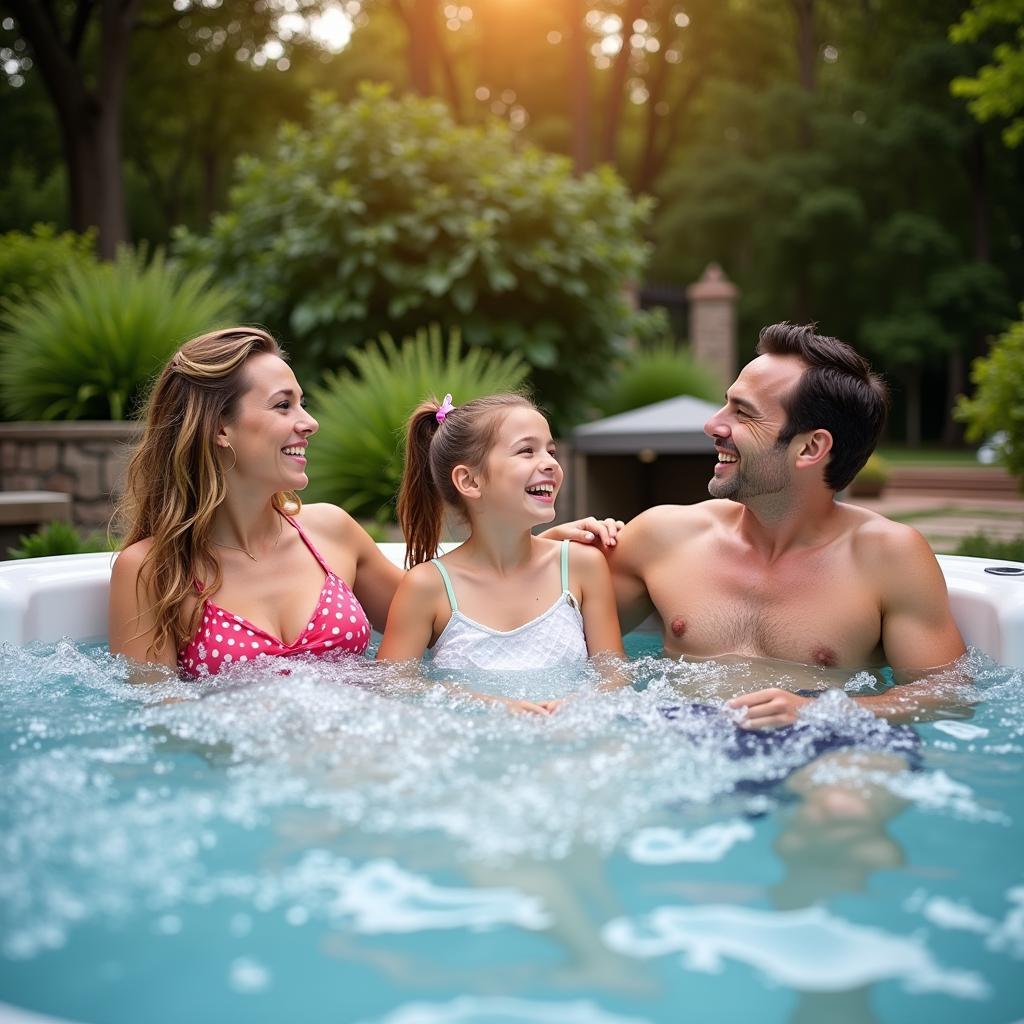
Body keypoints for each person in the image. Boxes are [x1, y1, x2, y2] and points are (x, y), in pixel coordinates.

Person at [109, 329, 616, 680]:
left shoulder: (330, 532)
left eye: (302, 404)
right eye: (283, 405)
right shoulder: (151, 571)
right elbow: (160, 727)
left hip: (360, 765)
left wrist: (537, 546)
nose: (309, 423)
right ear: (219, 428)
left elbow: (450, 614)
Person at [608, 322, 967, 726]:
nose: (712, 424)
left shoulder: (888, 558)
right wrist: (546, 545)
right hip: (687, 736)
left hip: (830, 743)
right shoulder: (661, 536)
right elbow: (554, 641)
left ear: (811, 447)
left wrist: (822, 713)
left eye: (743, 413)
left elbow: (948, 695)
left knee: (844, 789)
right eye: (726, 404)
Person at [376, 392, 624, 706]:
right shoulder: (429, 586)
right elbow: (391, 687)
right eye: (527, 451)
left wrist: (577, 703)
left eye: (550, 450)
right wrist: (488, 703)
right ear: (470, 481)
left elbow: (615, 677)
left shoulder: (581, 566)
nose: (550, 463)